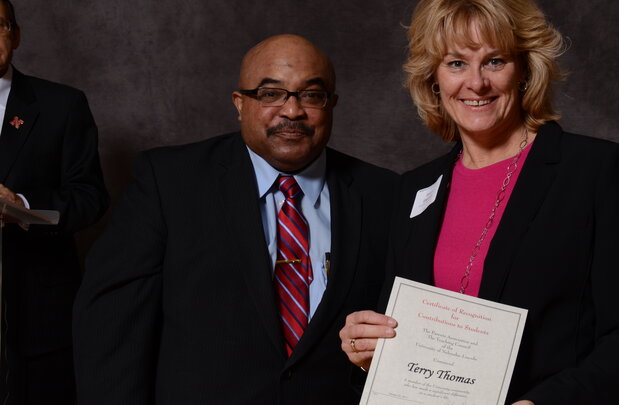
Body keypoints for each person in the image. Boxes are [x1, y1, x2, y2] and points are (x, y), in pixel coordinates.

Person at [339, 0, 619, 404]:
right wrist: (368, 351)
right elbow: (400, 333)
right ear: (434, 79)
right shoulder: (414, 189)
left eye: (495, 61)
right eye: (456, 64)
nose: (476, 84)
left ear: (525, 70)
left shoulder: (596, 171)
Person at [73, 34, 397, 405]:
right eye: (270, 94)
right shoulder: (169, 182)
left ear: (332, 105)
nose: (292, 111)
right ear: (240, 104)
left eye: (311, 95)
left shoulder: (385, 195)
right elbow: (111, 326)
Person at [0, 1, 109, 404]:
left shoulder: (62, 105)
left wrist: (21, 205)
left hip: (36, 315)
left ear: (15, 34)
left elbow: (90, 197)